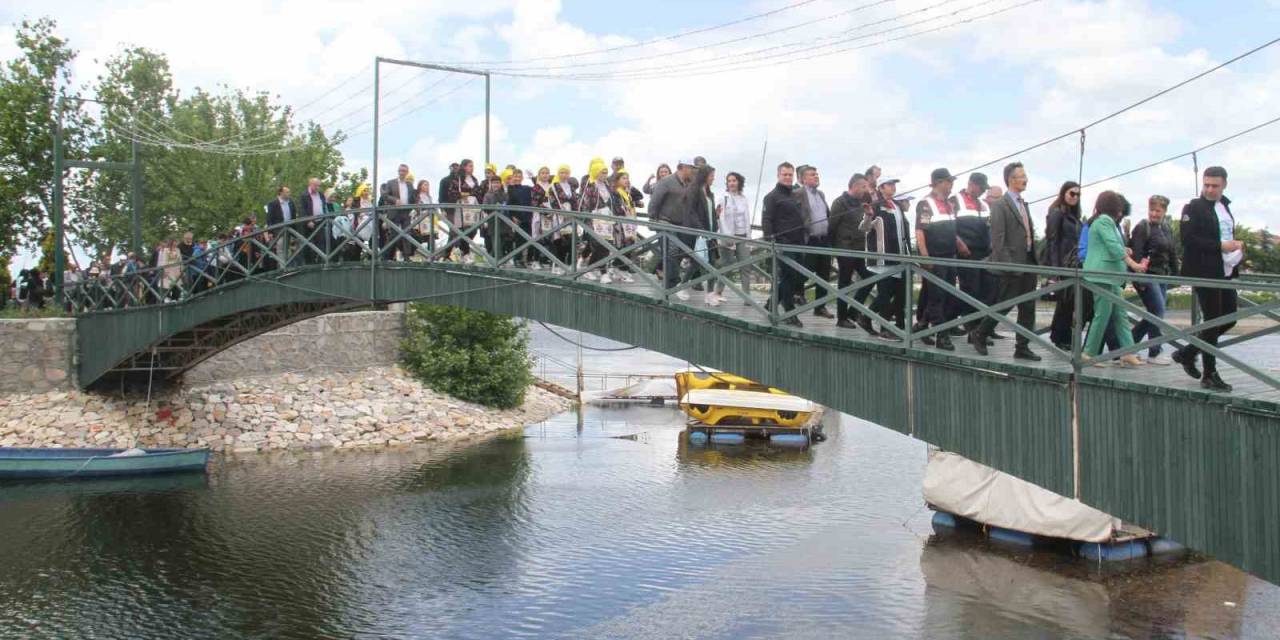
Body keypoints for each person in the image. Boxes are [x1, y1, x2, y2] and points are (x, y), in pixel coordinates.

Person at [1173, 166, 1241, 392]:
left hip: (1225, 270)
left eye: (1215, 186)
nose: (1210, 189)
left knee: (1229, 318)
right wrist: (1220, 246)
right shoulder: (1193, 208)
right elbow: (1188, 240)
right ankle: (1209, 374)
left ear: (1224, 185)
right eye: (1206, 185)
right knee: (1212, 321)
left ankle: (1187, 352)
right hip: (1204, 271)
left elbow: (1226, 234)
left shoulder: (1225, 207)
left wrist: (1235, 247)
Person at [972, 162, 1040, 361]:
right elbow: (998, 240)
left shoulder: (1023, 203)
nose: (1026, 179)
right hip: (1012, 263)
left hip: (1028, 261)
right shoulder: (1000, 205)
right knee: (1005, 304)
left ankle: (1022, 347)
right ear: (1011, 179)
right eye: (1022, 176)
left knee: (1028, 307)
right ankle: (980, 333)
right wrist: (1008, 265)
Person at [1082, 191, 1147, 366]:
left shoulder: (1104, 222)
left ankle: (1127, 352)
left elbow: (1108, 245)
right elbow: (1111, 245)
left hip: (1110, 276)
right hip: (1102, 275)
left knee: (1120, 314)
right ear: (1114, 208)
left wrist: (1125, 250)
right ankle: (1088, 353)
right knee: (1102, 315)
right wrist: (1133, 264)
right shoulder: (1104, 221)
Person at [1129, 195, 1179, 365]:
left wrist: (1177, 275)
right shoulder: (1142, 228)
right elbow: (1136, 253)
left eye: (1158, 211)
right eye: (1152, 210)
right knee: (1157, 311)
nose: (1154, 214)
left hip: (1161, 275)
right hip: (1146, 275)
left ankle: (1127, 345)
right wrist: (1139, 278)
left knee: (1155, 313)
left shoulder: (1166, 228)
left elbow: (1172, 252)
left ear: (1164, 211)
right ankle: (1154, 352)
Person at [915, 168, 961, 350]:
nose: (951, 185)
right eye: (949, 182)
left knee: (947, 296)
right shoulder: (926, 204)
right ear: (939, 182)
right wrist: (925, 256)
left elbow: (951, 230)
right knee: (937, 298)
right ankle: (942, 336)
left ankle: (921, 326)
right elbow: (920, 231)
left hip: (950, 257)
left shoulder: (949, 204)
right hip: (935, 257)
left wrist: (959, 244)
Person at [861, 176, 912, 340]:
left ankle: (866, 317)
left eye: (894, 184)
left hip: (898, 257)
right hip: (881, 257)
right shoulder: (876, 205)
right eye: (889, 185)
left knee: (896, 293)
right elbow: (864, 228)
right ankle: (885, 330)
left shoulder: (896, 205)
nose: (893, 187)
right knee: (885, 293)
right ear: (881, 188)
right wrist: (868, 215)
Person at [951, 173, 996, 338]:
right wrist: (959, 243)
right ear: (971, 184)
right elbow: (949, 225)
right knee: (971, 290)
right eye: (981, 187)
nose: (983, 191)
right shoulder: (955, 200)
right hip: (966, 253)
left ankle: (982, 328)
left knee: (988, 291)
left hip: (985, 253)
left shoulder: (983, 204)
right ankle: (972, 328)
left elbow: (990, 226)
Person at [829, 173, 876, 332]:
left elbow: (865, 227)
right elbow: (832, 226)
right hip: (844, 248)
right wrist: (832, 249)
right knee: (844, 282)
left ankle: (853, 311)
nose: (866, 190)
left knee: (870, 277)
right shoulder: (840, 202)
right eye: (863, 186)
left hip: (859, 248)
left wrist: (869, 215)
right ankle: (842, 318)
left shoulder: (862, 203)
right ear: (854, 186)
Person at [762, 162, 806, 326]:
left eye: (790, 175)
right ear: (778, 175)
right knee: (789, 276)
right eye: (784, 174)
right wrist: (771, 243)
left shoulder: (793, 195)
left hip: (797, 243)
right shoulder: (771, 197)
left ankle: (771, 303)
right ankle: (789, 312)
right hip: (782, 244)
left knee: (795, 277)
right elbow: (766, 221)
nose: (788, 177)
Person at [1044, 181, 1085, 349]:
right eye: (1072, 193)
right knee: (1065, 302)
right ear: (1064, 193)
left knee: (1068, 302)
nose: (1075, 197)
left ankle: (1061, 336)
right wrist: (1055, 271)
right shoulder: (1057, 213)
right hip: (1062, 264)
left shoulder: (1074, 216)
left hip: (1073, 264)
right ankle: (1060, 337)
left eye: (1078, 194)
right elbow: (1052, 242)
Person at [651, 160, 695, 299]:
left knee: (678, 253)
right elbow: (654, 201)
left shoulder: (688, 183)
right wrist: (653, 220)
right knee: (672, 251)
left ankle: (668, 287)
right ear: (683, 167)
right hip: (665, 222)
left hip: (680, 224)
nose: (692, 171)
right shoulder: (666, 181)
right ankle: (675, 284)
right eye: (691, 168)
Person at [796, 166, 834, 318]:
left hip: (824, 240)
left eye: (817, 174)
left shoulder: (821, 194)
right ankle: (787, 296)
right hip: (809, 240)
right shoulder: (798, 194)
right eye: (812, 175)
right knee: (803, 273)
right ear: (803, 179)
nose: (816, 176)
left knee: (824, 275)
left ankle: (820, 307)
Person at [682, 164, 719, 305]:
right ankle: (683, 286)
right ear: (704, 176)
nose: (713, 178)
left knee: (711, 263)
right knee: (698, 262)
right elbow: (691, 211)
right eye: (711, 176)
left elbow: (711, 214)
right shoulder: (694, 190)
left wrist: (715, 227)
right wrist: (700, 229)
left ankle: (709, 294)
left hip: (710, 233)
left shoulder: (710, 193)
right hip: (699, 233)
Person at [715, 171, 752, 304]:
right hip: (728, 235)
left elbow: (746, 218)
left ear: (739, 182)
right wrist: (724, 236)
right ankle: (718, 292)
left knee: (746, 265)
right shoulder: (722, 198)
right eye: (729, 181)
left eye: (734, 180)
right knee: (727, 265)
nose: (731, 183)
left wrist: (749, 237)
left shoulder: (744, 198)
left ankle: (747, 297)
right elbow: (719, 218)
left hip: (743, 236)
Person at [577, 159, 615, 282]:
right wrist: (587, 220)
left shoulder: (607, 186)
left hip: (606, 219)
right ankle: (603, 273)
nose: (604, 175)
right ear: (595, 172)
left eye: (605, 172)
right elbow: (585, 204)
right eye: (602, 172)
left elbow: (611, 202)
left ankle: (590, 269)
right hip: (594, 218)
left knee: (606, 245)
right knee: (598, 244)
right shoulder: (590, 186)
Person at [446, 160, 482, 262]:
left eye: (472, 166)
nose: (472, 168)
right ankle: (465, 253)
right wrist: (463, 195)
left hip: (473, 206)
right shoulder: (457, 179)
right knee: (463, 229)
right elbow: (451, 193)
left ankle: (462, 251)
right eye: (470, 166)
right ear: (464, 167)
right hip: (462, 206)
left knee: (473, 229)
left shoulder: (474, 179)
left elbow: (478, 192)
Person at [379, 164, 417, 261]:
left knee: (407, 233)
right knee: (394, 234)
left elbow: (412, 198)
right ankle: (384, 255)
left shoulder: (409, 184)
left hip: (406, 211)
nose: (402, 173)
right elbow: (385, 196)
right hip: (395, 211)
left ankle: (406, 256)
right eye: (400, 170)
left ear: (407, 172)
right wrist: (395, 200)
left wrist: (414, 208)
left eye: (404, 171)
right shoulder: (391, 183)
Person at [609, 170, 640, 284]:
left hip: (629, 223)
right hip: (620, 224)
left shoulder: (627, 193)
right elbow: (617, 209)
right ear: (617, 181)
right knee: (623, 246)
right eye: (623, 178)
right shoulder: (615, 193)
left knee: (630, 245)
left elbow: (637, 199)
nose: (626, 180)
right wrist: (626, 211)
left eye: (627, 178)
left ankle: (622, 269)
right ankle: (618, 269)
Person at [548, 165, 577, 274]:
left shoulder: (571, 186)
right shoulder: (553, 186)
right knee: (559, 240)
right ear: (558, 173)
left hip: (570, 216)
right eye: (562, 172)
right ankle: (558, 265)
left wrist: (574, 213)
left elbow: (575, 201)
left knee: (570, 240)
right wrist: (562, 212)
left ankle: (569, 264)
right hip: (559, 216)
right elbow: (552, 201)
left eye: (566, 173)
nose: (564, 175)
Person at [265, 186, 298, 268]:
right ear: (281, 193)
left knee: (288, 248)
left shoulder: (291, 202)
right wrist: (270, 232)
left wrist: (295, 230)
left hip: (290, 229)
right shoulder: (273, 203)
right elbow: (269, 218)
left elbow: (294, 216)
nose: (289, 194)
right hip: (278, 229)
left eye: (289, 192)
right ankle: (283, 268)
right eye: (287, 192)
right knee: (280, 248)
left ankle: (289, 267)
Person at [300, 177, 329, 263]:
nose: (317, 187)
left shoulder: (320, 194)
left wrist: (325, 217)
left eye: (319, 186)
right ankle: (309, 264)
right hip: (309, 224)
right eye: (316, 185)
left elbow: (323, 206)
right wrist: (308, 221)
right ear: (310, 184)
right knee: (308, 244)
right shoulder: (304, 195)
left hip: (320, 222)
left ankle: (321, 262)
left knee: (321, 243)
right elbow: (302, 210)